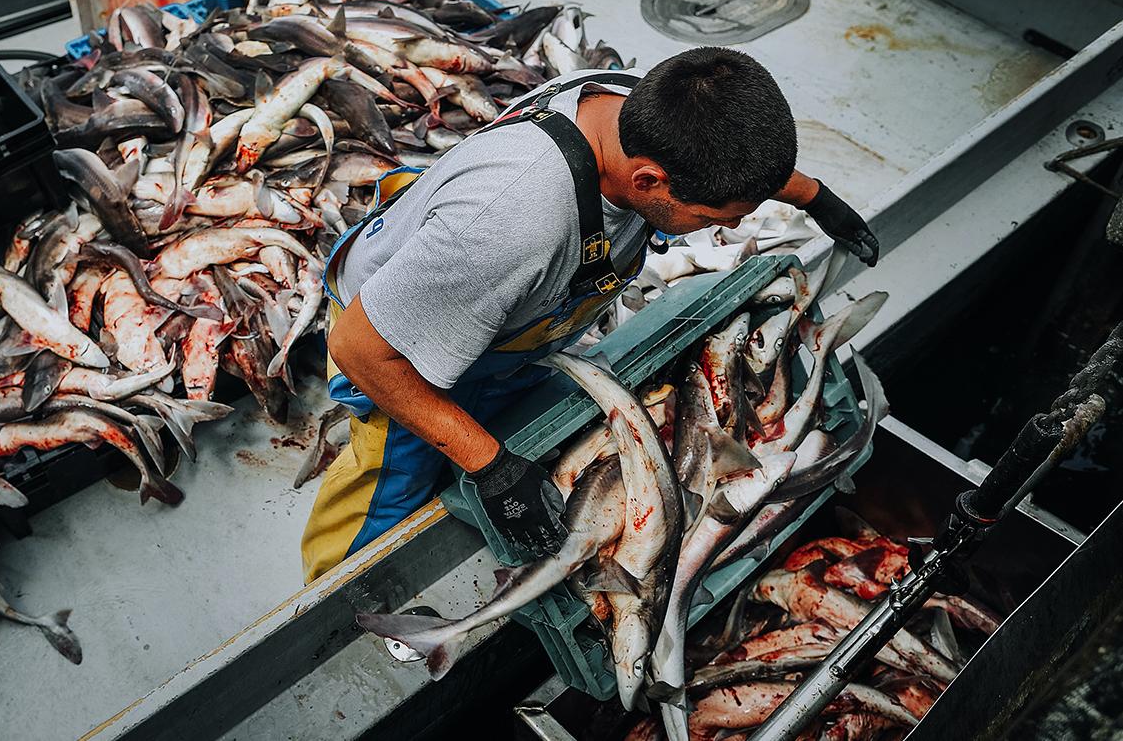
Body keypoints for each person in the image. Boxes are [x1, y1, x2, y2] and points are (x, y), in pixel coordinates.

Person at [300, 47, 879, 582]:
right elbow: (360, 349)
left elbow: (728, 161)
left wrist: (811, 195)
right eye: (710, 218)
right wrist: (490, 465)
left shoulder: (640, 105)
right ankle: (337, 604)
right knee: (390, 484)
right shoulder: (515, 222)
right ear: (649, 180)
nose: (724, 229)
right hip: (397, 344)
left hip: (505, 326)